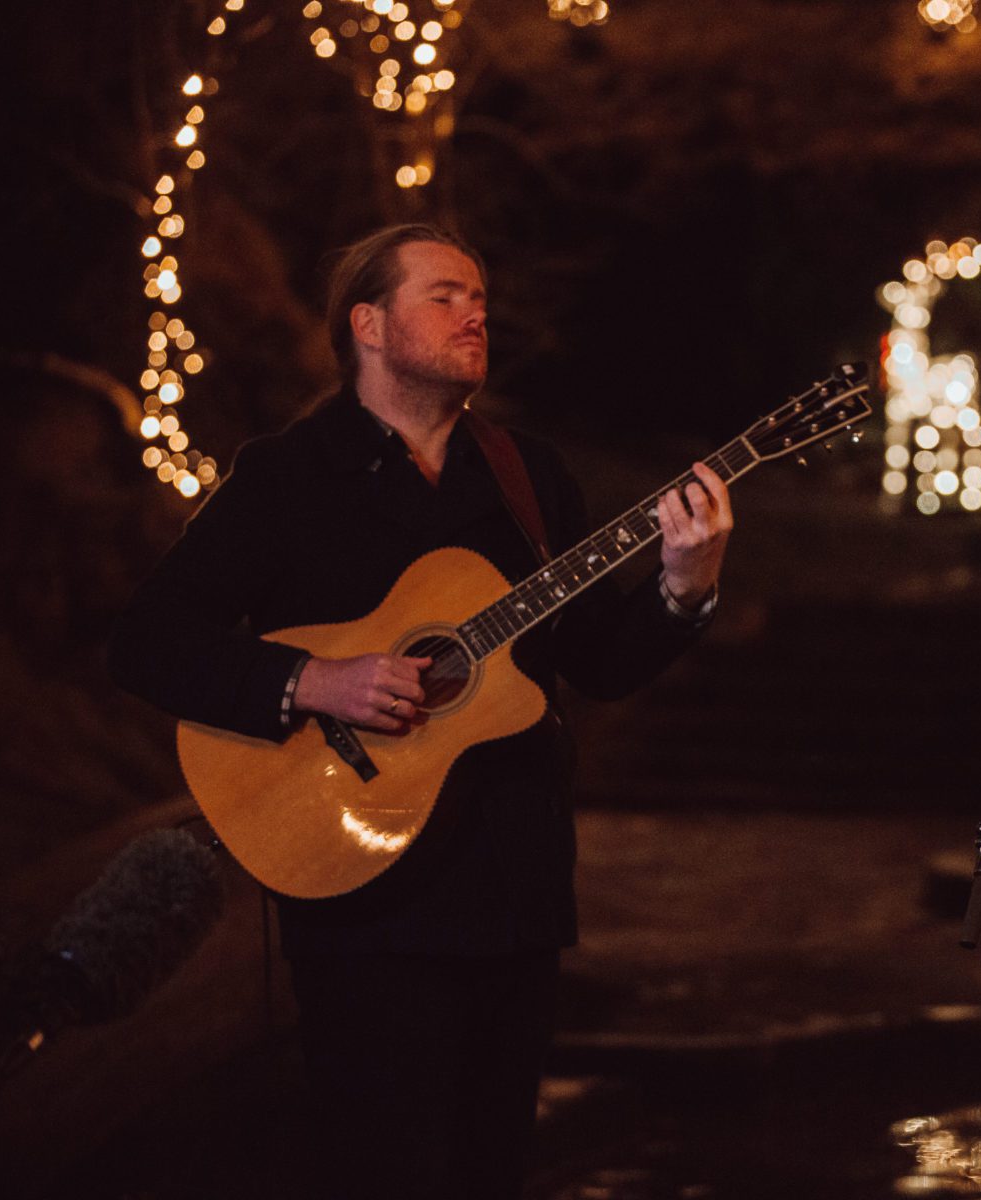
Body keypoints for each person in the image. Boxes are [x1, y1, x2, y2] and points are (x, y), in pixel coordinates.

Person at [108, 224, 732, 1199]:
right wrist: (310, 681)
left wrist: (684, 586)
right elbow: (148, 642)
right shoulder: (286, 477)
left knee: (493, 1172)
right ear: (368, 323)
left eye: (479, 297)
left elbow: (601, 663)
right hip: (364, 901)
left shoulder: (527, 475)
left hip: (517, 892)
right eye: (444, 296)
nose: (475, 314)